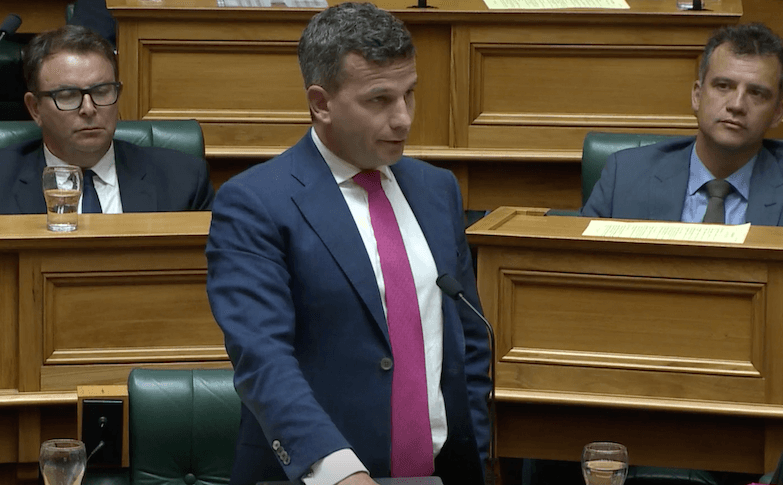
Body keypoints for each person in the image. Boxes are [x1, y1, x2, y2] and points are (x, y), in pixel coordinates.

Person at [205, 3, 490, 485]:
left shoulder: (436, 189)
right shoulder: (255, 202)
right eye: (379, 100)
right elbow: (262, 357)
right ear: (321, 102)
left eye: (409, 94)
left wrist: (474, 454)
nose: (403, 119)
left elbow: (468, 342)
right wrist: (338, 471)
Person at [582, 23, 783, 226]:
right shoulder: (626, 176)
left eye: (757, 93)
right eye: (723, 86)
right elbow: (581, 265)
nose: (737, 105)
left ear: (777, 114)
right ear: (697, 96)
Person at [0, 25, 214, 214]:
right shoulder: (3, 180)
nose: (88, 108)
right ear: (35, 108)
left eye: (102, 92)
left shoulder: (183, 179)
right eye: (68, 96)